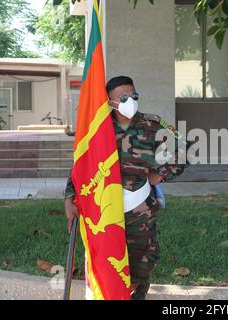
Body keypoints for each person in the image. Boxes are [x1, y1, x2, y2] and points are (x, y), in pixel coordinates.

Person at [64, 75, 187, 300]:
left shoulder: (151, 125)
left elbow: (184, 150)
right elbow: (81, 167)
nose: (130, 100)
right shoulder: (99, 128)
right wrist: (69, 198)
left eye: (133, 95)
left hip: (140, 209)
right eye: (123, 97)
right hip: (105, 212)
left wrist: (159, 175)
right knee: (107, 267)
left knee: (141, 266)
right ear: (109, 101)